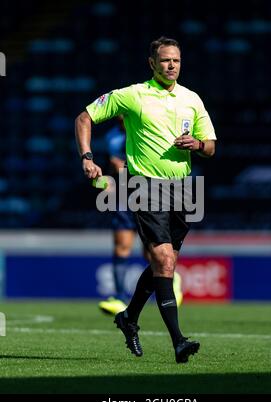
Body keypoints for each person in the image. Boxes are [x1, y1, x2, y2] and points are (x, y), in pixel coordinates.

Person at [75, 36, 216, 363]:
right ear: (152, 63)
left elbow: (211, 145)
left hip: (183, 189)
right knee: (164, 261)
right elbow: (84, 118)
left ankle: (128, 318)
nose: (171, 66)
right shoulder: (133, 95)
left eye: (176, 61)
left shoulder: (192, 100)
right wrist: (87, 156)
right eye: (165, 60)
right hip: (145, 186)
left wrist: (196, 144)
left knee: (162, 265)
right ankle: (179, 342)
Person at [97, 116, 183, 316]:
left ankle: (173, 280)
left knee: (151, 254)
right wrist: (107, 181)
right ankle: (118, 298)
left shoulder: (149, 132)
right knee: (122, 247)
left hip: (148, 196)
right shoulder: (113, 137)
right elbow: (113, 167)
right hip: (124, 199)